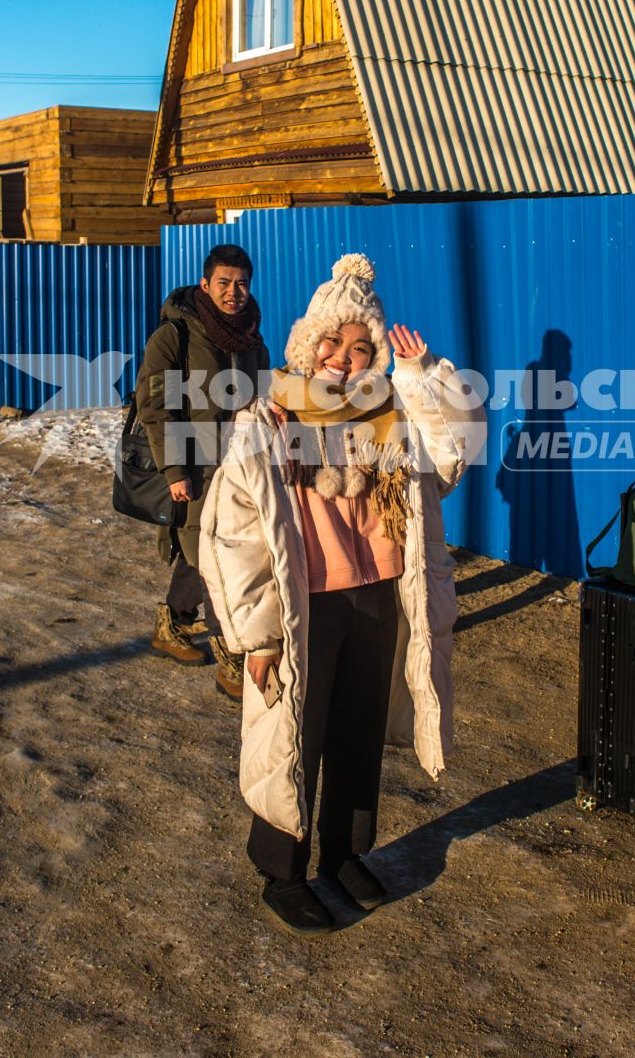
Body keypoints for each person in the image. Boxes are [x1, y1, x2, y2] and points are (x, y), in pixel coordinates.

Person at [198, 254, 478, 935]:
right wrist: (256, 636)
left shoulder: (392, 415)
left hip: (378, 596)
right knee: (293, 735)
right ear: (306, 343)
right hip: (305, 607)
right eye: (332, 342)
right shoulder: (268, 419)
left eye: (362, 348)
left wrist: (419, 379)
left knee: (356, 737)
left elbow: (447, 463)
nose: (345, 360)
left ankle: (346, 855)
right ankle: (282, 870)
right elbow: (233, 538)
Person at [133, 244, 270, 701]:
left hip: (240, 465)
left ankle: (171, 626)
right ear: (205, 284)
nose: (234, 293)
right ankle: (232, 654)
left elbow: (265, 397)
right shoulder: (175, 335)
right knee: (213, 560)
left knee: (212, 553)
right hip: (194, 464)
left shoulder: (252, 337)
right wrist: (175, 469)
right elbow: (156, 406)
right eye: (224, 283)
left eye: (242, 284)